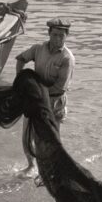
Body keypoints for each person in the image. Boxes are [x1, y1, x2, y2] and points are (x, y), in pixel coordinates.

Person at [15, 18, 75, 176]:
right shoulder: (38, 49)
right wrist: (20, 80)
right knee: (27, 135)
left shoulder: (67, 58)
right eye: (55, 35)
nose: (58, 39)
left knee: (51, 138)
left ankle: (54, 168)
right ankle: (30, 166)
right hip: (35, 99)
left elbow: (59, 86)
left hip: (55, 101)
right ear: (49, 34)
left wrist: (36, 93)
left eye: (62, 36)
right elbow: (21, 59)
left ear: (66, 36)